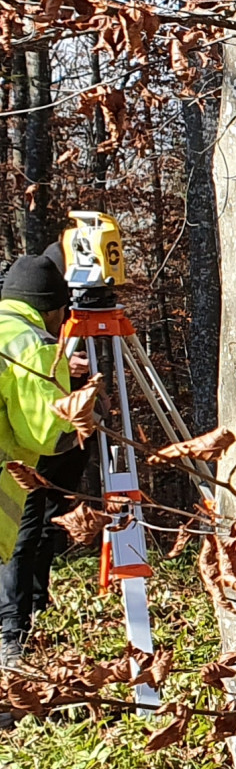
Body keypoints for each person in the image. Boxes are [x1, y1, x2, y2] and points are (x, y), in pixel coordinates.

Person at [0, 253, 90, 670]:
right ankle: (11, 648)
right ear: (53, 309)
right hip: (7, 477)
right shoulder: (33, 342)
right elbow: (47, 435)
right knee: (17, 546)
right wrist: (88, 414)